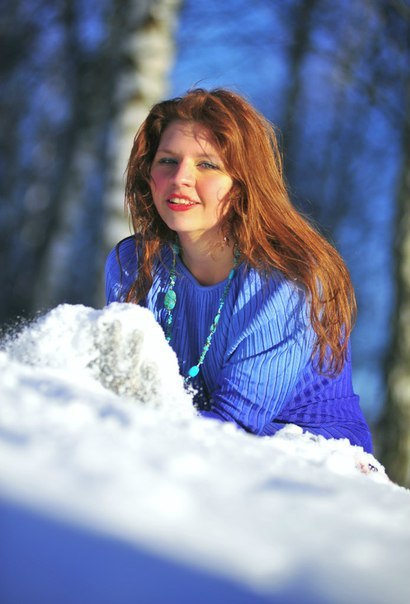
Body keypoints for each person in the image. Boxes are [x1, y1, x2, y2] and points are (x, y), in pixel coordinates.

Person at [105, 88, 372, 453]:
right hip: (184, 448)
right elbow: (119, 387)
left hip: (308, 462)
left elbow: (234, 430)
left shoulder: (286, 282)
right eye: (167, 160)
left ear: (244, 182)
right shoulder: (134, 265)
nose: (180, 178)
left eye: (207, 164)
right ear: (148, 174)